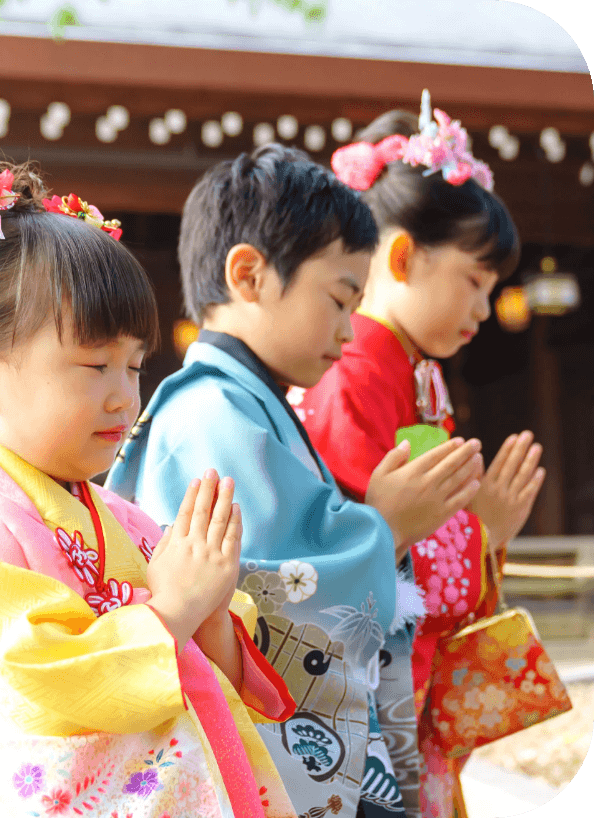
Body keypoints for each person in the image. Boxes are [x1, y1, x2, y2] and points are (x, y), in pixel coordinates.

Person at [0, 158, 300, 818]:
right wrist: (172, 612)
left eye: (133, 366)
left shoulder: (120, 520)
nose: (123, 397)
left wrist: (209, 604)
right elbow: (36, 693)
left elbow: (206, 676)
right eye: (93, 364)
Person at [106, 143, 485, 818]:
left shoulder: (240, 405)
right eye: (340, 300)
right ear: (249, 275)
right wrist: (387, 525)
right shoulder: (214, 416)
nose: (347, 332)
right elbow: (268, 600)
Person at [292, 92, 546, 818]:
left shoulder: (408, 365)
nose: (483, 309)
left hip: (405, 673)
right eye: (473, 281)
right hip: (365, 686)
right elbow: (349, 536)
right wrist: (482, 530)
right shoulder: (353, 372)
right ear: (402, 256)